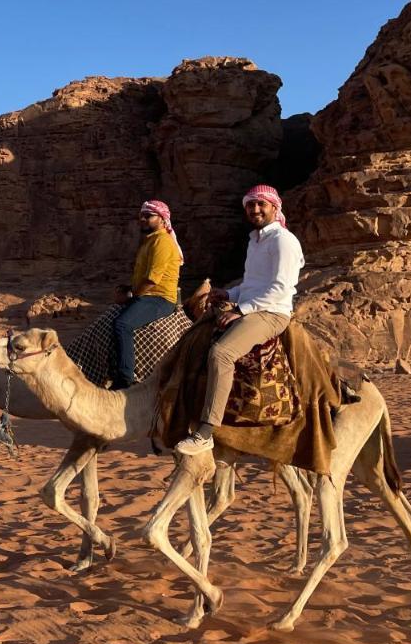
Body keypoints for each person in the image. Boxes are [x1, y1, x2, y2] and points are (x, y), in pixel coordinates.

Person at [174, 184, 305, 455]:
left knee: (221, 353)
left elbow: (279, 288)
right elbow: (252, 283)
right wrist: (228, 293)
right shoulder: (256, 241)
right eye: (250, 205)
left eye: (261, 204)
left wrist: (242, 310)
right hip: (253, 305)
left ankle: (206, 431)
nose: (255, 209)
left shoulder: (283, 240)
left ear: (274, 207)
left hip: (271, 313)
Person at [109, 199, 184, 389]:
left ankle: (125, 377)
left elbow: (152, 280)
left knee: (122, 324)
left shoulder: (163, 241)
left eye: (148, 216)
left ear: (162, 219)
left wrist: (131, 296)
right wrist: (127, 288)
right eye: (141, 216)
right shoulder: (150, 240)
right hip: (147, 295)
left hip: (160, 298)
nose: (143, 219)